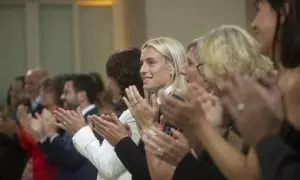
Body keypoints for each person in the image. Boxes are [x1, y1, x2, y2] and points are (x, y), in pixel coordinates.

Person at [54, 48, 143, 180]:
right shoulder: (130, 112)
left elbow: (108, 167)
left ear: (123, 79)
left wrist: (81, 131)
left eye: (111, 78)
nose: (108, 85)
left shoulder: (135, 114)